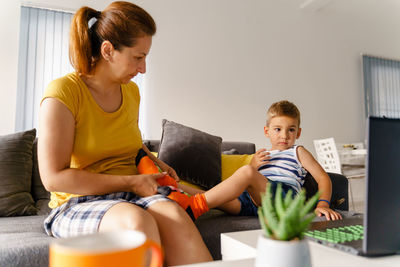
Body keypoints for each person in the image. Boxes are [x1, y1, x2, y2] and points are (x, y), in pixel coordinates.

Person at [38, 2, 212, 265]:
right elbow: (53, 178)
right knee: (136, 223)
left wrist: (156, 162)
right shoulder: (64, 93)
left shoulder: (131, 92)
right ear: (108, 50)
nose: (143, 69)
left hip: (130, 194)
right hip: (76, 203)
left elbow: (129, 144)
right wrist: (130, 183)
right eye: (138, 57)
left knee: (176, 216)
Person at [162, 100, 342, 221]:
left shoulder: (298, 151)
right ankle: (171, 187)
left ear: (298, 133)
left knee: (246, 174)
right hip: (256, 204)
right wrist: (254, 166)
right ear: (267, 131)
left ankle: (195, 206)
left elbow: (323, 178)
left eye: (291, 130)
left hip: (284, 200)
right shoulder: (264, 155)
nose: (284, 135)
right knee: (217, 197)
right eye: (278, 129)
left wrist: (323, 204)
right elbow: (248, 182)